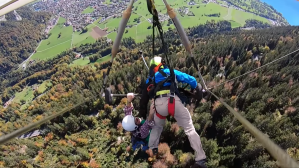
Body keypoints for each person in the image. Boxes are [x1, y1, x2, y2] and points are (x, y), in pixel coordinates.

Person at [140, 56, 207, 168]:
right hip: (173, 101)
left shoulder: (150, 80)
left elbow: (143, 98)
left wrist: (142, 113)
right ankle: (200, 158)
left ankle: (153, 148)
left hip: (159, 105)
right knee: (189, 128)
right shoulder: (168, 71)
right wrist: (197, 88)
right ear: (161, 64)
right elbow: (189, 79)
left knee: (157, 127)